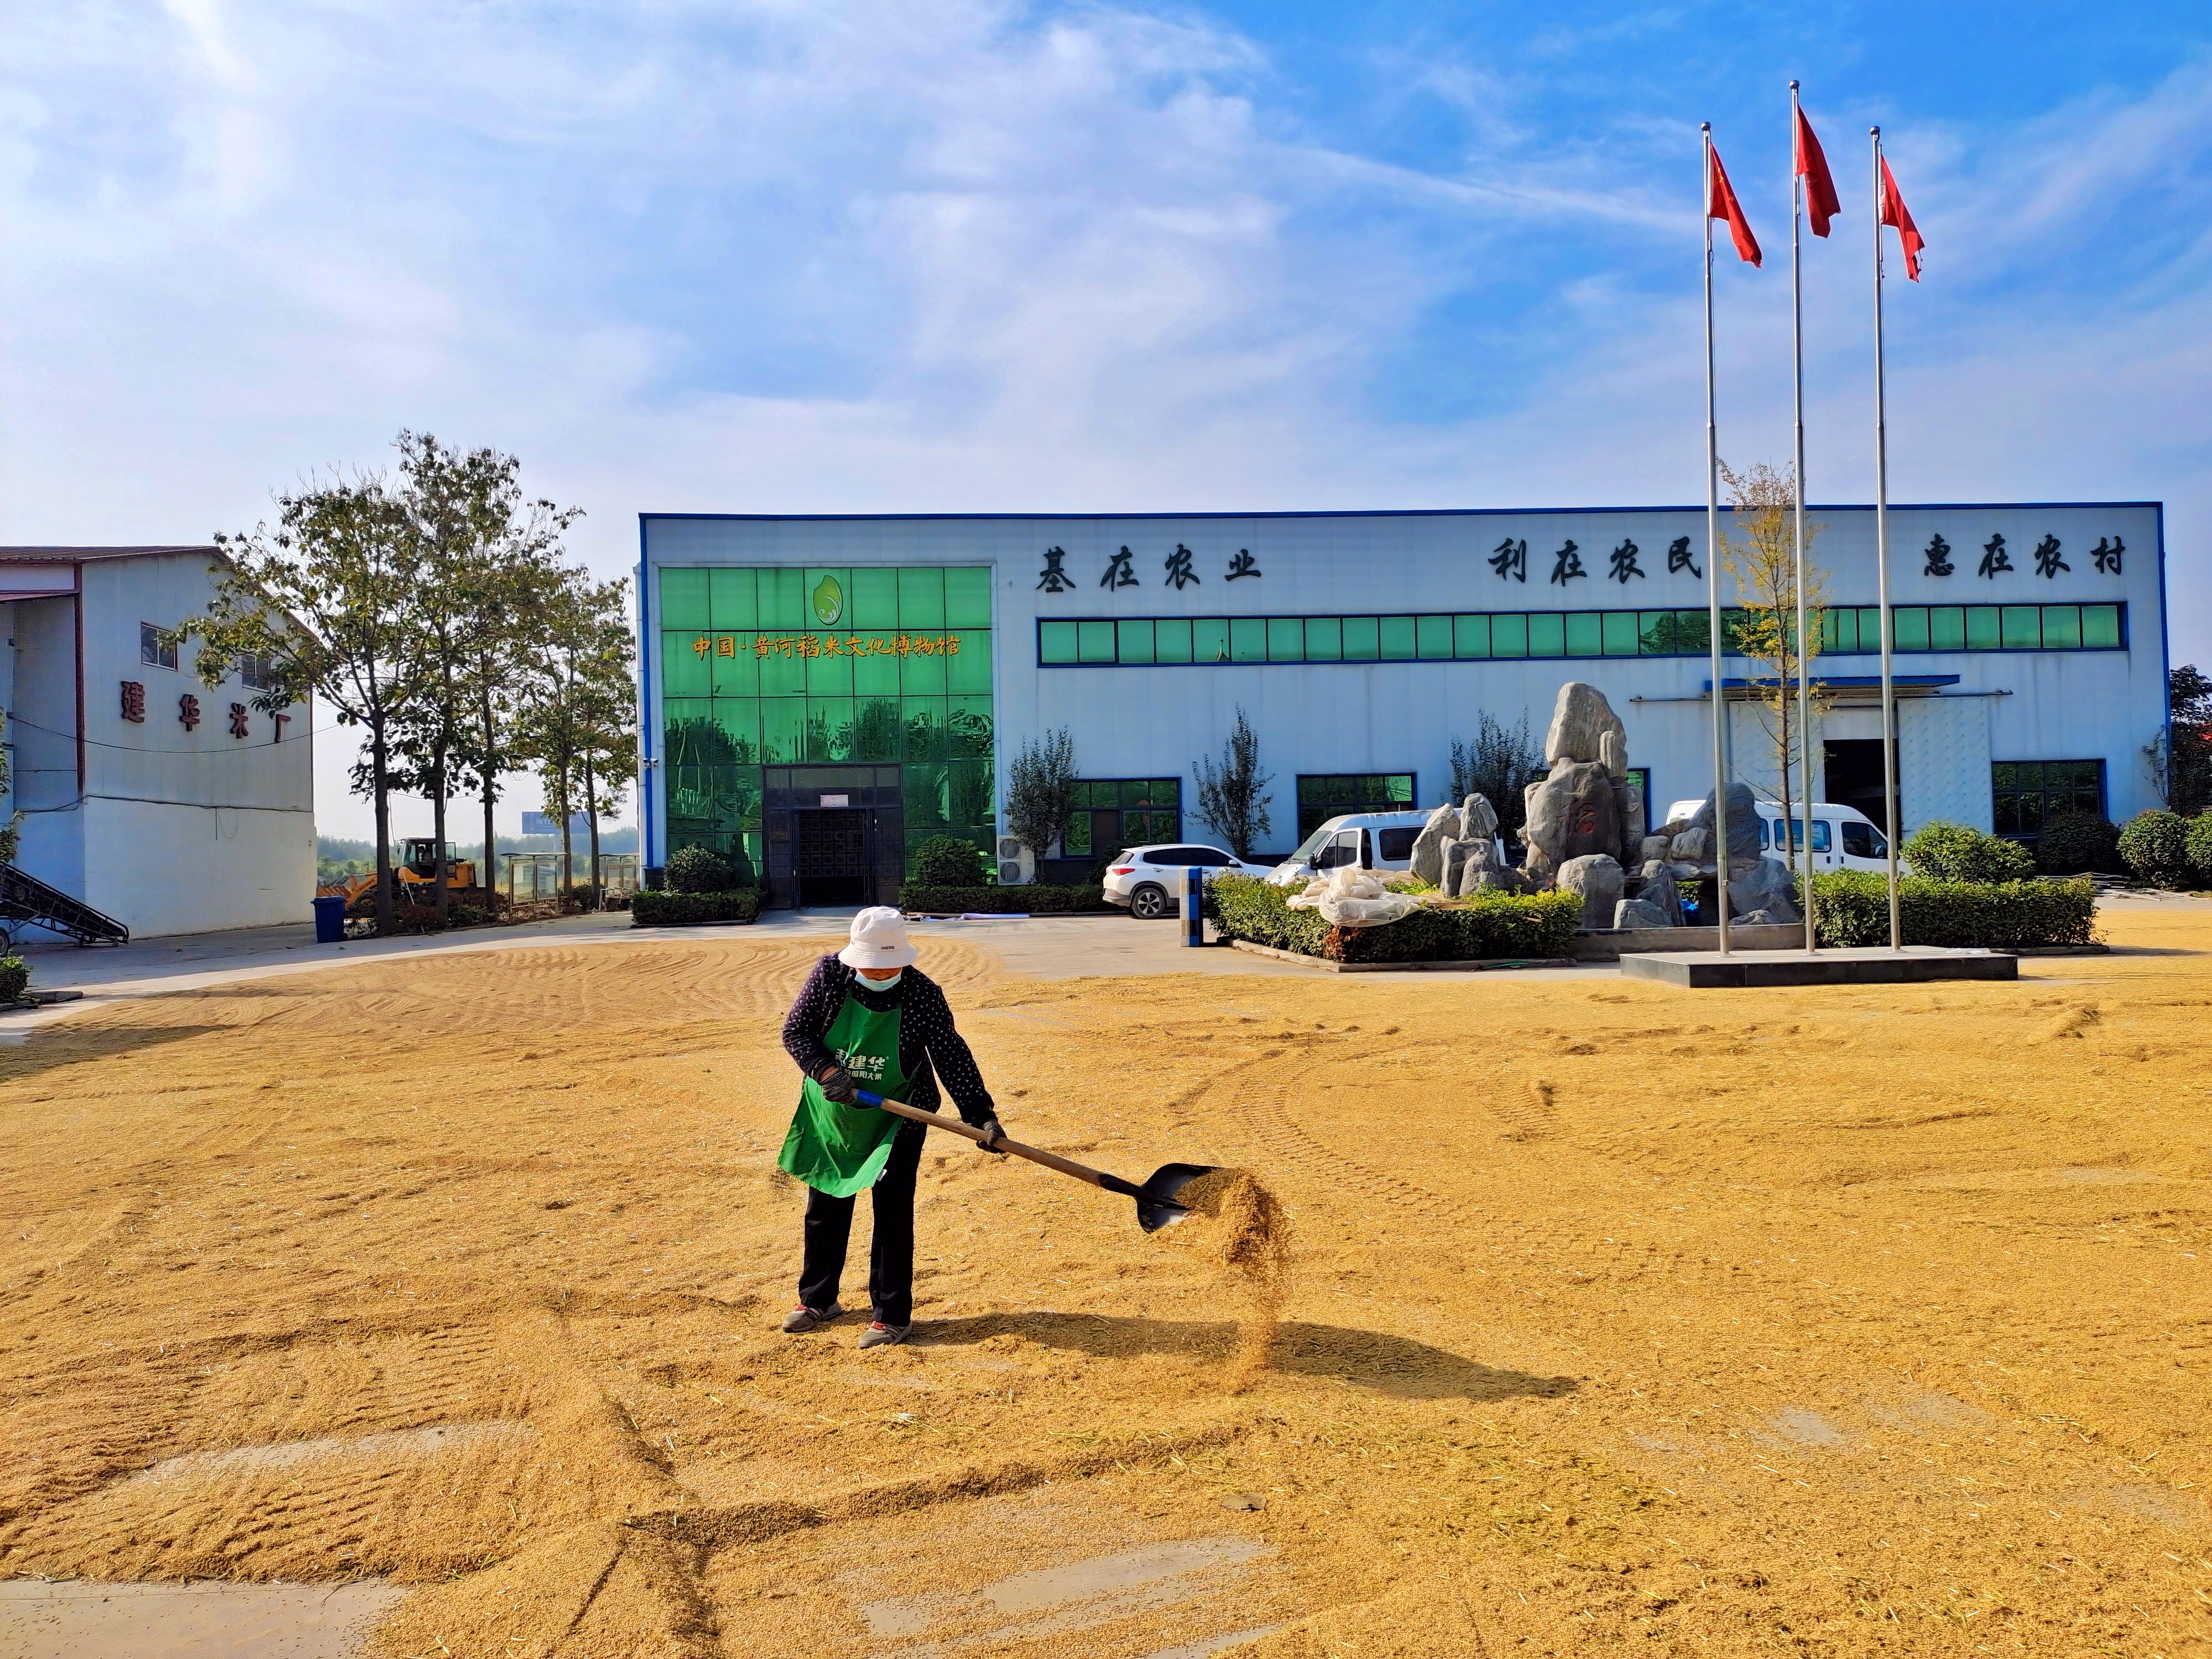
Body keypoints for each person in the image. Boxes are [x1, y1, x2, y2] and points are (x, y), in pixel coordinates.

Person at [778, 906, 1005, 1349]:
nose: (881, 973)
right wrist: (826, 1072)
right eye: (872, 965)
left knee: (893, 1212)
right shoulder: (829, 977)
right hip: (836, 1113)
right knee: (826, 1204)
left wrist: (981, 1115)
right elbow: (796, 1032)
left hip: (900, 1115)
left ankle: (892, 1316)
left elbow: (951, 1055)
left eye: (889, 966)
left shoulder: (922, 993)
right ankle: (818, 1300)